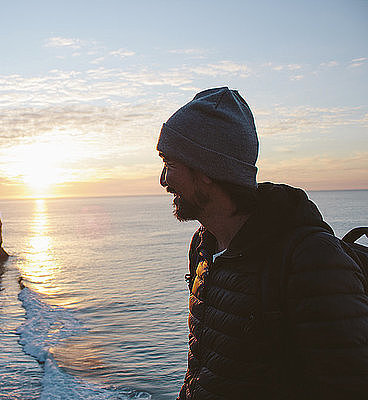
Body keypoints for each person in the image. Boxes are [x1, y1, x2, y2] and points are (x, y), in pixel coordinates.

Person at [156, 87, 368, 400]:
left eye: (170, 164)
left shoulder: (311, 260)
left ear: (208, 170)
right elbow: (204, 368)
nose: (163, 180)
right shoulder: (204, 245)